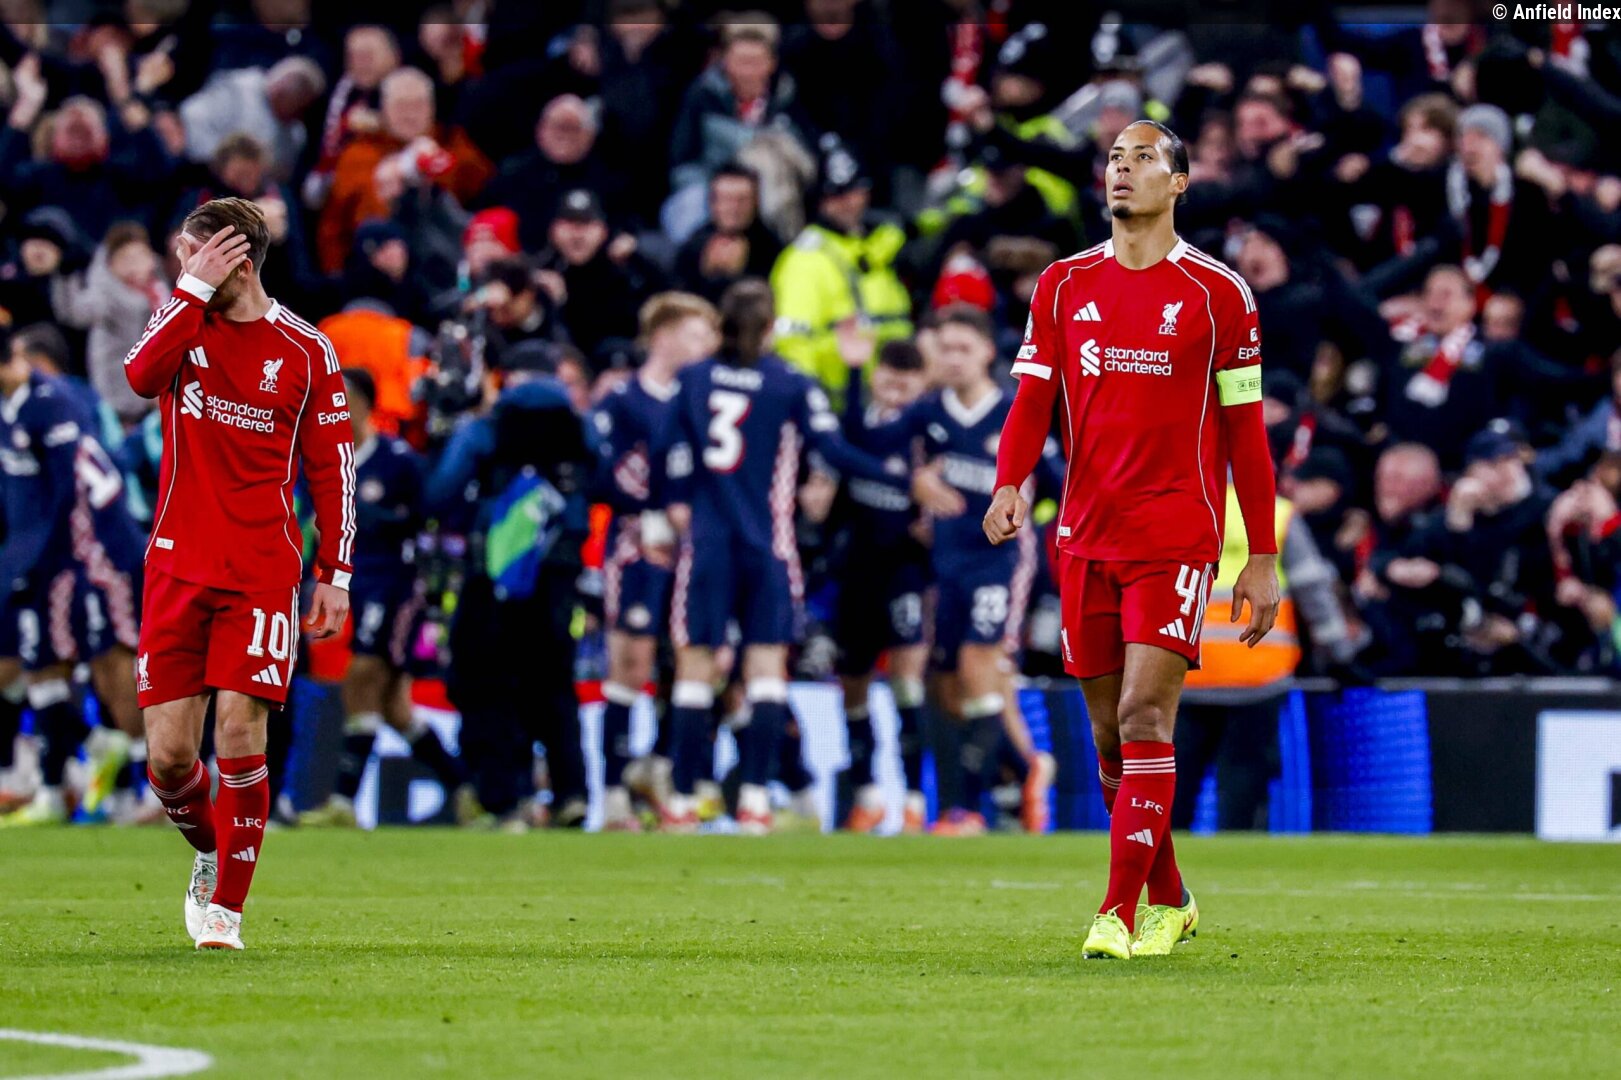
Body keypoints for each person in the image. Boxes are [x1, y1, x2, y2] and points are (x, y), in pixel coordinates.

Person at [985, 120, 1280, 959]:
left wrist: (1260, 554)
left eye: (1143, 158)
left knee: (1145, 714)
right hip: (1083, 537)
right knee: (1112, 740)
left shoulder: (1218, 294)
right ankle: (1171, 898)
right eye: (1114, 158)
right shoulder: (1062, 283)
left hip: (1175, 536)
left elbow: (1246, 432)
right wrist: (1009, 481)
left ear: (1178, 182)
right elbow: (1032, 399)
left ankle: (1115, 913)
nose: (1122, 169)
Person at [122, 198, 355, 951]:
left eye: (194, 257)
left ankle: (226, 908)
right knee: (169, 759)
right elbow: (138, 377)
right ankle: (209, 849)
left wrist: (336, 571)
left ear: (239, 263)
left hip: (261, 570)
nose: (181, 270)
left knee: (239, 728)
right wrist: (189, 291)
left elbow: (333, 469)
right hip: (176, 565)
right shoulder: (181, 322)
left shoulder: (307, 349)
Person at [654, 279, 890, 834]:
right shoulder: (789, 383)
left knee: (693, 672)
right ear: (769, 327)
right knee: (765, 674)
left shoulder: (692, 378)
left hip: (708, 545)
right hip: (768, 548)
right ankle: (756, 802)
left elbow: (665, 449)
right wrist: (900, 478)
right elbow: (832, 449)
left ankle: (682, 801)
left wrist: (674, 501)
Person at [882, 307, 1048, 837]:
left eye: (964, 349)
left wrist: (1029, 508)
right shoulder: (929, 411)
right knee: (947, 684)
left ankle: (968, 808)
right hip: (945, 564)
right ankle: (1021, 774)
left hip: (1000, 561)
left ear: (987, 353)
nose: (953, 359)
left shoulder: (1016, 408)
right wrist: (914, 481)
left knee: (981, 663)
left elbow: (1059, 480)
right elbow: (877, 448)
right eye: (945, 349)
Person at [426, 343, 596, 831]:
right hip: (558, 573)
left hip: (494, 573)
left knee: (490, 681)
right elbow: (602, 480)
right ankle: (570, 792)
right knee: (555, 683)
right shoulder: (579, 426)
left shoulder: (485, 426)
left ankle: (506, 796)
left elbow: (439, 493)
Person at [300, 369, 467, 828]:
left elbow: (426, 517)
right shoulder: (318, 461)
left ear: (365, 405)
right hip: (346, 584)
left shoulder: (398, 460)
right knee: (394, 708)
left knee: (362, 675)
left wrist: (366, 515)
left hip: (394, 583)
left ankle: (342, 801)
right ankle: (463, 784)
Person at [0, 327, 145, 827]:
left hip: (95, 556)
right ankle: (53, 785)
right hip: (41, 557)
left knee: (112, 666)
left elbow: (73, 496)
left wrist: (48, 563)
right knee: (42, 666)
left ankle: (154, 785)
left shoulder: (54, 404)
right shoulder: (13, 408)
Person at [592, 292, 719, 830]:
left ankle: (662, 770)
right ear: (662, 337)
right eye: (696, 334)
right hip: (636, 546)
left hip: (698, 548)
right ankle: (613, 793)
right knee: (631, 662)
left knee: (695, 663)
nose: (708, 345)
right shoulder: (621, 401)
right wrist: (647, 515)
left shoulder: (707, 400)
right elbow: (600, 472)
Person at [829, 337, 935, 833]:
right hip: (856, 571)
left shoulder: (925, 432)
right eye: (888, 377)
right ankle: (867, 795)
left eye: (906, 381)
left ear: (921, 385)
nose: (896, 388)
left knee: (907, 682)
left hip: (905, 572)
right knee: (852, 681)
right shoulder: (855, 422)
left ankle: (913, 801)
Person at [770, 141, 911, 397]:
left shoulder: (880, 247)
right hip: (838, 399)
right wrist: (807, 402)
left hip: (893, 393)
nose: (847, 203)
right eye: (835, 196)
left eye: (853, 191)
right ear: (819, 201)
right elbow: (792, 342)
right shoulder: (805, 258)